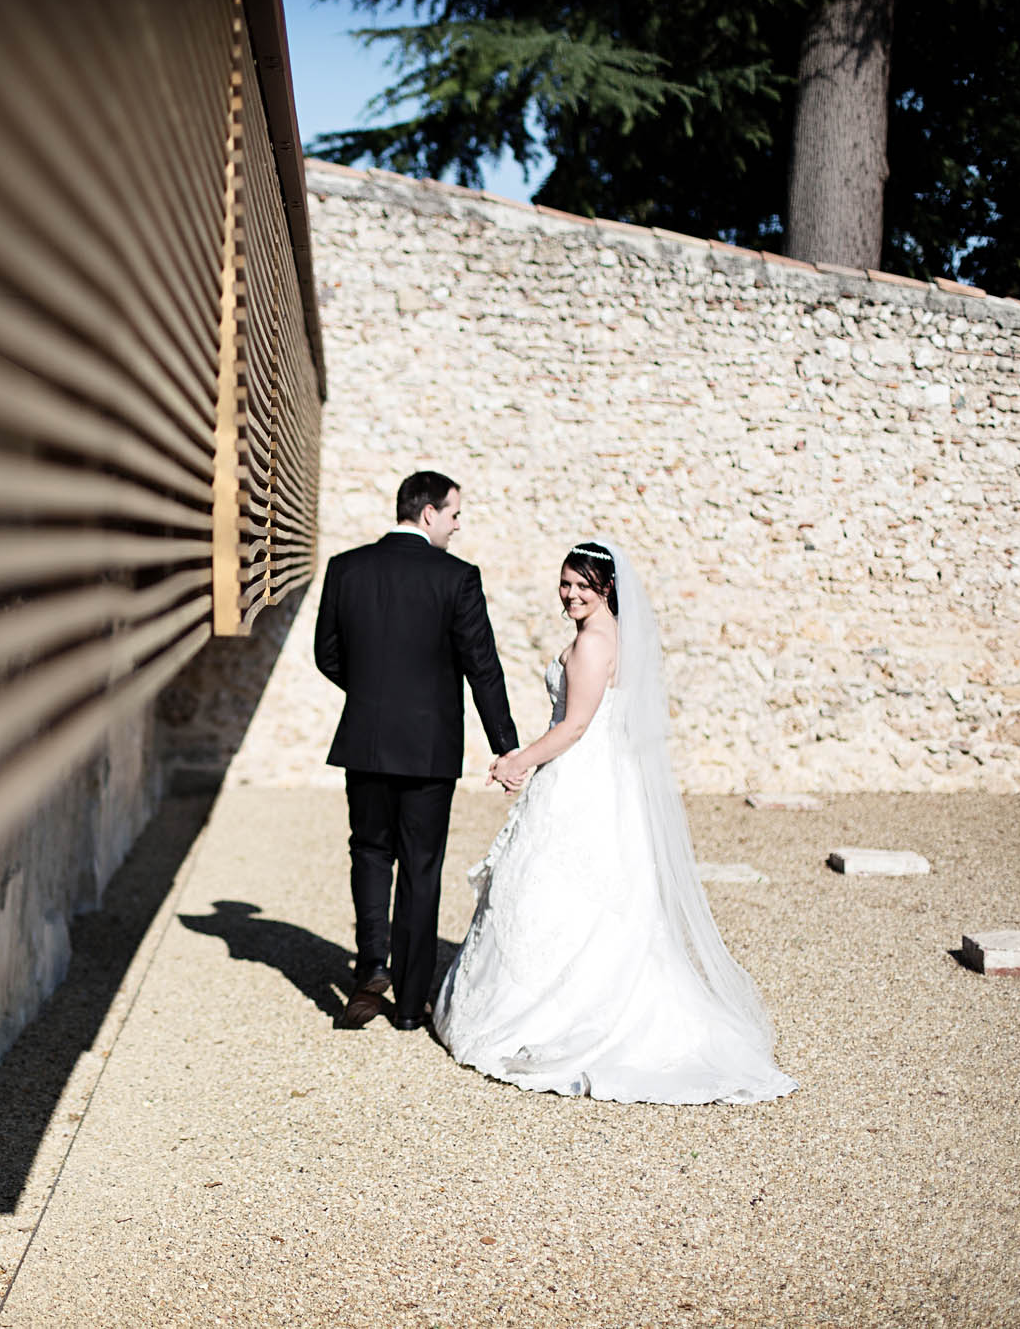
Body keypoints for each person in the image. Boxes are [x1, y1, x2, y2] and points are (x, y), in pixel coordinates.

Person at [433, 541, 797, 1103]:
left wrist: (517, 760)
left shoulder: (590, 645)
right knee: (598, 894)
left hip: (578, 781)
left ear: (607, 588)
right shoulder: (620, 639)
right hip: (608, 783)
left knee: (551, 888)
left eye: (584, 586)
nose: (571, 594)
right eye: (566, 583)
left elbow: (575, 727)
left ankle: (550, 1015)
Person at [314, 471, 519, 1031]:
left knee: (371, 853)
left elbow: (326, 655)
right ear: (428, 513)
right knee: (421, 868)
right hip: (429, 750)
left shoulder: (346, 568)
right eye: (455, 515)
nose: (458, 526)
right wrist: (507, 747)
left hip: (366, 741)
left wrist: (374, 701)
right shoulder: (457, 578)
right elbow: (483, 668)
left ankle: (369, 972)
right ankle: (408, 1006)